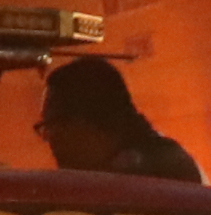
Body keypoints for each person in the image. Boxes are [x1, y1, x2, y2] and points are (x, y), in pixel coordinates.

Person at [34, 57, 201, 182]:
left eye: (52, 125)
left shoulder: (142, 176)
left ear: (85, 121)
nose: (49, 139)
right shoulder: (168, 161)